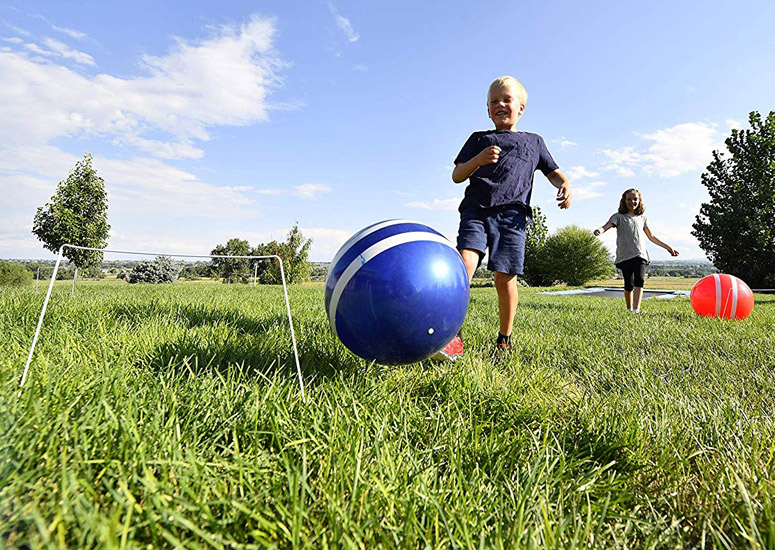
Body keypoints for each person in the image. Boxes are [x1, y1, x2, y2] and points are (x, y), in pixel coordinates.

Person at [436, 76, 572, 360]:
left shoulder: (534, 142)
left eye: (506, 100)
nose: (500, 105)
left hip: (512, 216)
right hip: (476, 209)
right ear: (487, 110)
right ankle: (451, 335)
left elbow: (552, 171)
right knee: (464, 266)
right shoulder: (479, 139)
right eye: (494, 101)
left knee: (504, 278)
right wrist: (478, 160)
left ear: (521, 108)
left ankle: (504, 339)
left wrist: (565, 184)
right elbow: (457, 175)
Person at [593, 188, 679, 313]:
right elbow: (607, 225)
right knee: (629, 284)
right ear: (624, 201)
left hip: (640, 254)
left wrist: (668, 248)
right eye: (629, 199)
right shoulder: (618, 217)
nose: (632, 202)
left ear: (639, 201)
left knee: (640, 280)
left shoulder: (642, 218)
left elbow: (652, 237)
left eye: (635, 199)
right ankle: (628, 308)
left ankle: (636, 310)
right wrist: (599, 231)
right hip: (624, 255)